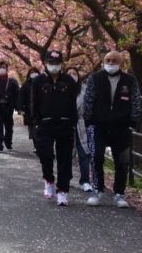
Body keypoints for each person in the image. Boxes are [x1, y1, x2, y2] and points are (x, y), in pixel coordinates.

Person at [83, 51, 142, 208]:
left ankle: (119, 193)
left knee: (122, 162)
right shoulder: (95, 78)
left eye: (114, 60)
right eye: (108, 60)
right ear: (103, 61)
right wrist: (88, 120)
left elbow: (136, 101)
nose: (110, 63)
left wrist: (133, 122)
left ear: (121, 63)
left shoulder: (129, 80)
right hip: (98, 125)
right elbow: (88, 99)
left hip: (121, 127)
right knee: (96, 158)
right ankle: (97, 189)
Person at [29, 50, 79, 206]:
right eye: (51, 63)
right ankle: (49, 179)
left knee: (64, 159)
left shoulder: (69, 81)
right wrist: (36, 121)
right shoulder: (38, 81)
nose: (54, 66)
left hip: (65, 125)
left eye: (57, 63)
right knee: (46, 155)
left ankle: (63, 191)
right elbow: (34, 103)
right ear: (45, 63)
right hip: (44, 124)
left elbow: (73, 104)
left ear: (62, 64)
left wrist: (72, 122)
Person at [67, 67, 93, 192]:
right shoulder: (61, 88)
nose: (72, 75)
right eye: (70, 73)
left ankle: (85, 180)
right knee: (66, 154)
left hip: (82, 124)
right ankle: (66, 177)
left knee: (84, 153)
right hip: (66, 124)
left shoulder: (85, 89)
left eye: (74, 73)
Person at [19, 68, 41, 141]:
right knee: (32, 128)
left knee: (40, 128)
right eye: (32, 72)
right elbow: (21, 97)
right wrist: (21, 108)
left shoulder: (43, 82)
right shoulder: (26, 84)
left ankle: (39, 145)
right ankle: (36, 145)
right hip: (29, 110)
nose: (33, 73)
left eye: (35, 72)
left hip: (40, 110)